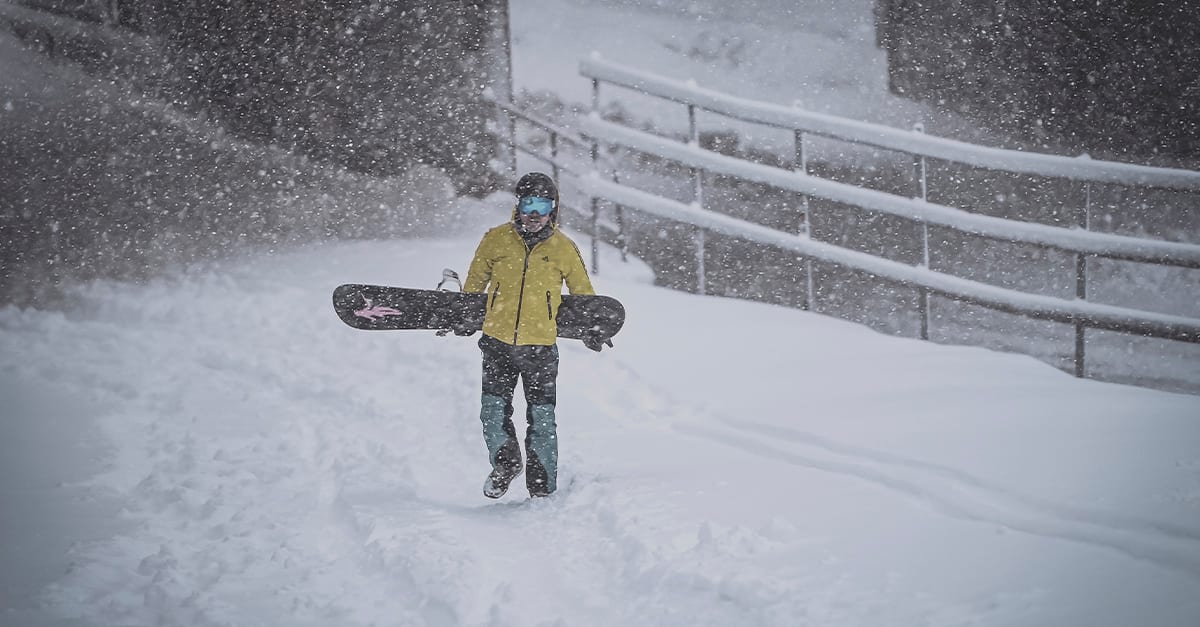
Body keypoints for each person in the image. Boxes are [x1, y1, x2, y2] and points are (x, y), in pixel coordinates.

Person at [463, 172, 604, 499]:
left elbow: (584, 295)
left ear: (553, 208)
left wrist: (593, 328)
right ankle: (506, 464)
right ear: (518, 205)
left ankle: (542, 489)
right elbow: (472, 289)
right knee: (492, 412)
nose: (535, 214)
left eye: (542, 205)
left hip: (539, 349)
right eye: (528, 204)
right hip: (497, 344)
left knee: (542, 419)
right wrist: (461, 317)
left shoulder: (564, 248)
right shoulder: (495, 239)